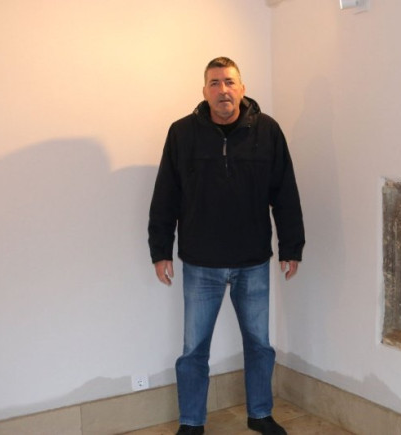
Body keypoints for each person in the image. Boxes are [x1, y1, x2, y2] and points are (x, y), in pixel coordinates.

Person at [148, 57, 305, 435]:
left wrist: (291, 246)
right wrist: (160, 250)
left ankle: (260, 413)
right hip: (201, 263)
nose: (223, 90)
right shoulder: (182, 133)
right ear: (204, 91)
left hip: (253, 261)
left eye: (230, 82)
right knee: (193, 351)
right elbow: (166, 193)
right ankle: (191, 422)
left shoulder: (267, 131)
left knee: (260, 345)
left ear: (242, 88)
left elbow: (285, 192)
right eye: (215, 83)